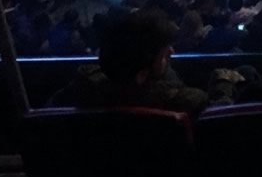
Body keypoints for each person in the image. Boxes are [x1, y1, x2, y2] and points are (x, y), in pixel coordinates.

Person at [55, 9, 220, 114]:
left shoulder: (82, 87)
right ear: (141, 75)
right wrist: (224, 84)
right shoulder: (185, 102)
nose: (171, 51)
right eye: (162, 54)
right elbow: (218, 118)